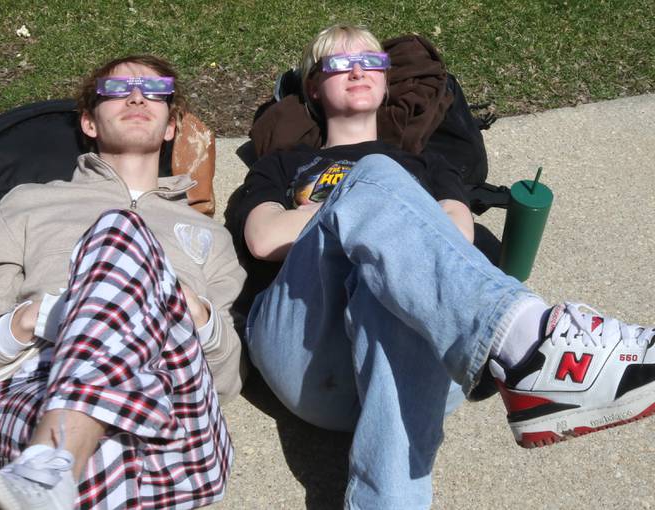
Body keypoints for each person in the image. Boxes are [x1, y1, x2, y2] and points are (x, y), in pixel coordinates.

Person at [226, 24, 655, 508]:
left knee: (390, 280)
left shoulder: (427, 163)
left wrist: (330, 220)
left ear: (387, 83)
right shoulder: (282, 166)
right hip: (306, 359)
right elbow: (264, 239)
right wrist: (358, 205)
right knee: (378, 189)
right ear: (313, 87)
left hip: (419, 367)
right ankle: (528, 345)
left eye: (371, 63)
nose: (357, 72)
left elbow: (455, 241)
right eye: (338, 65)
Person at [0, 55, 245, 510]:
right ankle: (52, 475)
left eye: (155, 92)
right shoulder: (27, 204)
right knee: (104, 451)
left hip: (173, 416)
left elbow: (226, 379)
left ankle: (46, 474)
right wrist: (37, 318)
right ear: (89, 123)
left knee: (121, 234)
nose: (136, 97)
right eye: (117, 90)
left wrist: (192, 312)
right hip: (34, 394)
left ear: (171, 127)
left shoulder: (210, 235)